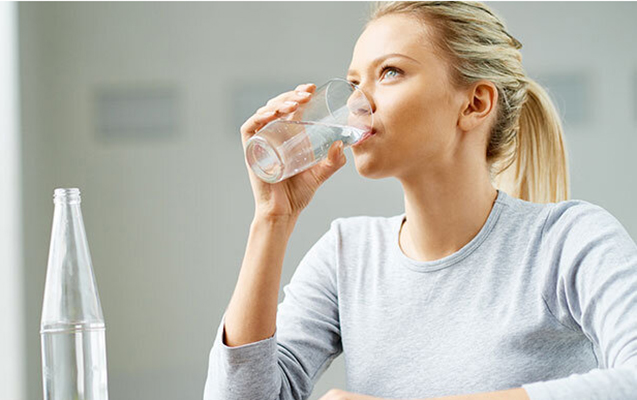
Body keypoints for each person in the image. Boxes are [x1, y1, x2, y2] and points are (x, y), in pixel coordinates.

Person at [203, 2, 637, 399]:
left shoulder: (568, 241)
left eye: (390, 72)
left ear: (475, 103)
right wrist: (272, 218)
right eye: (354, 83)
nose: (356, 103)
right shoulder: (346, 255)